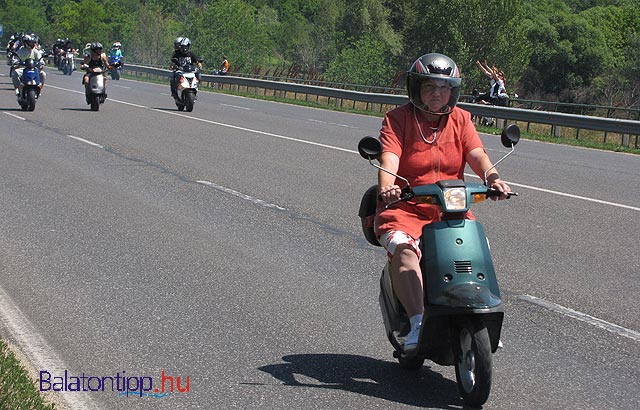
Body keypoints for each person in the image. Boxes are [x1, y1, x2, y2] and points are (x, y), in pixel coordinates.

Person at [373, 53, 511, 353]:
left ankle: (482, 316)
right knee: (406, 252)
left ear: (453, 91)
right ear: (416, 88)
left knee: (478, 250)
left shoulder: (461, 118)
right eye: (429, 86)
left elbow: (476, 153)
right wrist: (387, 187)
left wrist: (493, 178)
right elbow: (390, 157)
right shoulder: (397, 119)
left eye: (444, 87)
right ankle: (417, 321)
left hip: (450, 209)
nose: (437, 93)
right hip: (404, 207)